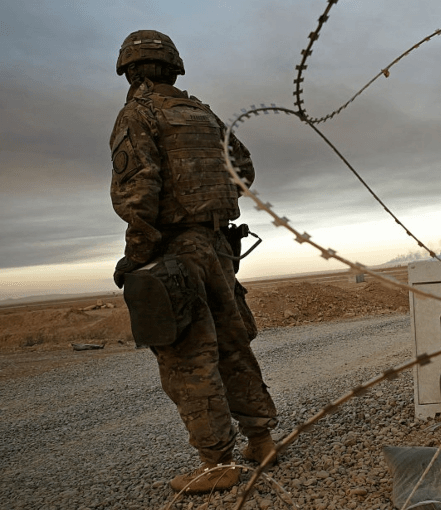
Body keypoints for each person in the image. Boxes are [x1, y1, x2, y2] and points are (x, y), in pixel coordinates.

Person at [109, 30, 278, 494]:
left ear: (128, 69)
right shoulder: (203, 114)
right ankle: (262, 441)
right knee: (232, 343)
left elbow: (138, 189)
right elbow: (243, 167)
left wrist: (137, 254)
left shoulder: (137, 114)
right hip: (217, 246)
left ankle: (215, 463)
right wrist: (215, 207)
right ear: (174, 67)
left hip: (173, 253)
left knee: (189, 357)